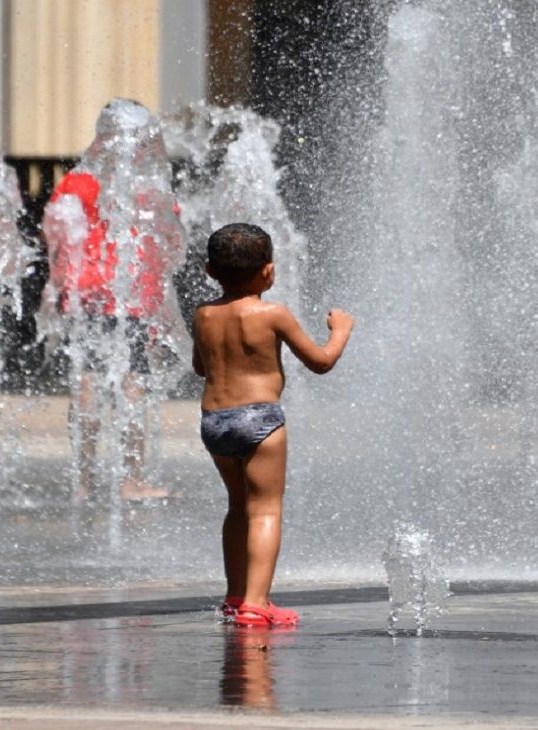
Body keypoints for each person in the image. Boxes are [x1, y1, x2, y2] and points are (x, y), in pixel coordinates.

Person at [192, 223, 353, 627]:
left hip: (214, 421)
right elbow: (320, 362)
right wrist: (341, 331)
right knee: (265, 510)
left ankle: (234, 596)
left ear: (210, 271)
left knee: (237, 507)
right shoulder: (273, 313)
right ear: (269, 271)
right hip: (259, 419)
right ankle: (256, 603)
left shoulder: (203, 314)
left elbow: (200, 366)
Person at [43, 99, 183, 503]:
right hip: (128, 301)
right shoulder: (148, 185)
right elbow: (172, 240)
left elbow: (53, 233)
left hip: (86, 299)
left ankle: (84, 481)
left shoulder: (76, 181)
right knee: (132, 388)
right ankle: (130, 479)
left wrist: (59, 287)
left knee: (87, 387)